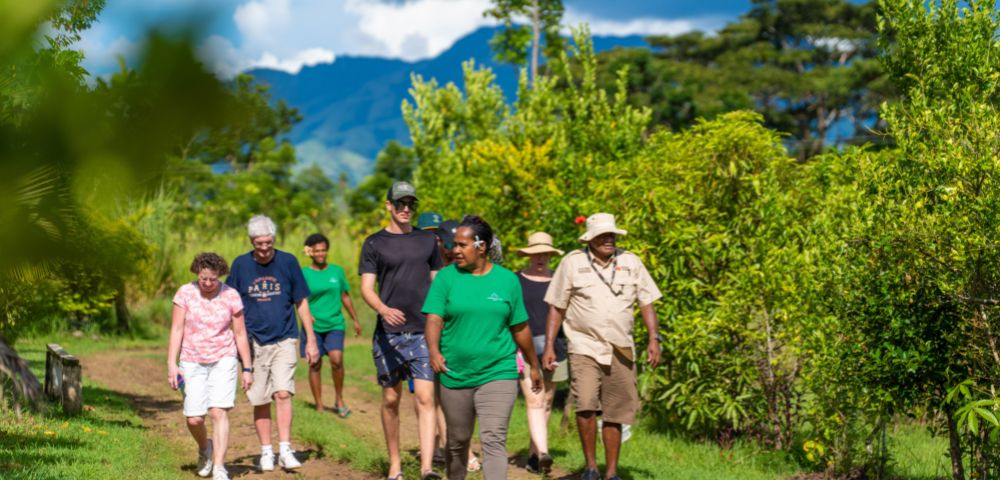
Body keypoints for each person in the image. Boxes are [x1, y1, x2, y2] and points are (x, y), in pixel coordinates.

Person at [542, 213, 662, 480]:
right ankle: (591, 467)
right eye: (603, 235)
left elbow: (647, 302)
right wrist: (550, 345)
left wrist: (654, 338)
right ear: (590, 238)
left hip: (621, 346)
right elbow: (556, 307)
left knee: (614, 410)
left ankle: (610, 472)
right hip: (584, 345)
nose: (609, 239)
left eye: (612, 235)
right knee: (585, 403)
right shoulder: (572, 263)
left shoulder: (631, 262)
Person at [424, 215, 543, 480]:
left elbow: (520, 327)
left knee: (494, 440)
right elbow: (434, 318)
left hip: (498, 371)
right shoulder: (446, 278)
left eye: (461, 245)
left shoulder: (507, 281)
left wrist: (534, 365)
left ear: (481, 246)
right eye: (453, 244)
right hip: (454, 372)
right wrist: (433, 351)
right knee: (457, 441)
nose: (454, 250)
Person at [359, 181, 443, 480]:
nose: (406, 209)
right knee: (391, 400)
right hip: (389, 334)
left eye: (411, 204)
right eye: (400, 203)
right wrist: (383, 310)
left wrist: (442, 315)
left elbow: (438, 282)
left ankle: (426, 468)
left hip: (423, 331)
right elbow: (366, 288)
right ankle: (395, 464)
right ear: (388, 206)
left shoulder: (427, 242)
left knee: (425, 398)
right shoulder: (373, 243)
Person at [225, 215, 321, 472]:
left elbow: (301, 301)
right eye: (259, 244)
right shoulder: (241, 265)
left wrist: (310, 340)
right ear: (251, 242)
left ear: (274, 240)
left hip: (285, 338)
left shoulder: (288, 262)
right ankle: (266, 450)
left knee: (282, 392)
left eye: (268, 243)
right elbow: (230, 305)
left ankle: (285, 449)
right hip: (253, 342)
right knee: (260, 399)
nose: (265, 249)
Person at [168, 253, 254, 480]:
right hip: (191, 360)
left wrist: (247, 368)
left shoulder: (231, 295)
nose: (207, 284)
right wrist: (172, 364)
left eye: (212, 279)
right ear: (197, 273)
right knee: (194, 418)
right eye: (203, 278)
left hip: (223, 358)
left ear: (220, 276)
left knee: (218, 412)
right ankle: (205, 448)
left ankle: (219, 467)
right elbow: (177, 330)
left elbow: (240, 333)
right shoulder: (185, 293)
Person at [514, 232, 567, 475]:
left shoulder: (559, 280)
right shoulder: (516, 281)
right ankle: (543, 453)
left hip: (557, 348)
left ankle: (535, 454)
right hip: (525, 349)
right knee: (535, 399)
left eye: (544, 254)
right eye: (536, 253)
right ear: (528, 255)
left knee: (546, 401)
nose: (540, 258)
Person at [302, 233, 362, 416]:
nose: (321, 254)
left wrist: (355, 319)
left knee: (337, 360)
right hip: (313, 326)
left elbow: (345, 296)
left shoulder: (337, 271)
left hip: (335, 323)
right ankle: (319, 404)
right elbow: (299, 298)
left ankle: (339, 399)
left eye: (324, 250)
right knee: (315, 364)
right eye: (317, 250)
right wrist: (306, 315)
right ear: (310, 252)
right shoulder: (304, 273)